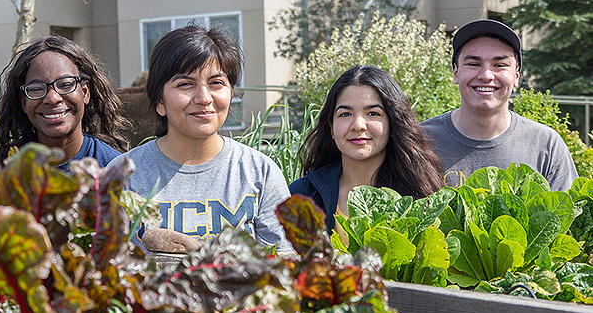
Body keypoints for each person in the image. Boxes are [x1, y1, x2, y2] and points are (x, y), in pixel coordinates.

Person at [112, 25, 292, 253]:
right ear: (159, 102)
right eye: (185, 84)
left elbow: (284, 263)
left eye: (216, 83)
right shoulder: (123, 175)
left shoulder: (260, 173)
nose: (204, 98)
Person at [420, 19, 577, 191]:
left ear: (516, 76)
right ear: (456, 73)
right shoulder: (419, 141)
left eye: (499, 65)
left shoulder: (546, 145)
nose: (486, 75)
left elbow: (565, 213)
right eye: (474, 64)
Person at [289, 65, 443, 230]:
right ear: (331, 127)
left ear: (393, 124)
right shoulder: (303, 195)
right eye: (345, 114)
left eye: (373, 113)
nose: (358, 125)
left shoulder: (421, 197)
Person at [0, 36, 129, 179]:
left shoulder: (112, 168)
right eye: (36, 88)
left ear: (85, 93)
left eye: (65, 84)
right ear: (23, 102)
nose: (52, 98)